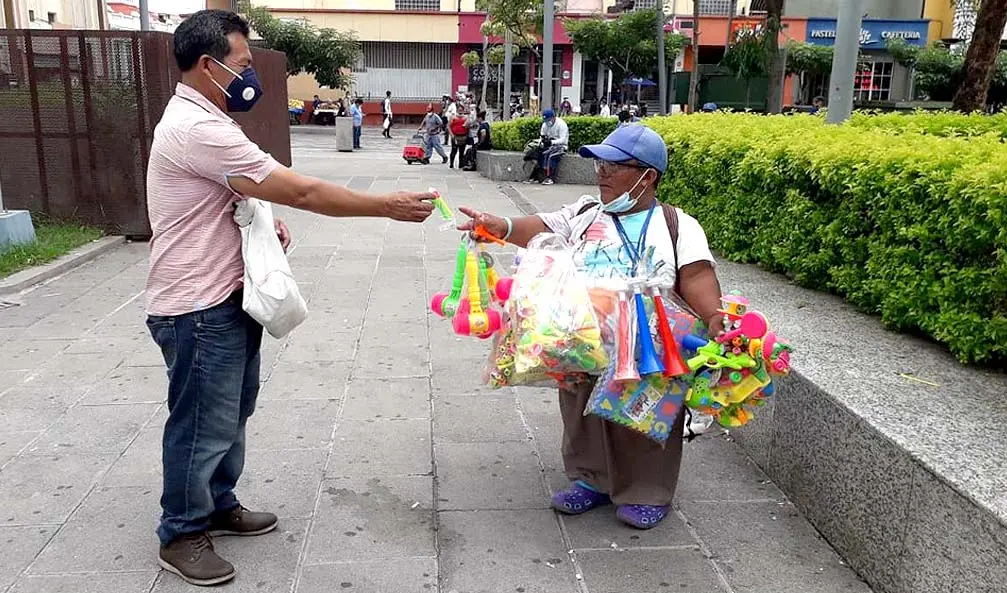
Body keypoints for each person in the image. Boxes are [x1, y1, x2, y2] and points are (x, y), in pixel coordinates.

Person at [145, 10, 435, 586]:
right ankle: (181, 532)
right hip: (197, 306)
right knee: (202, 420)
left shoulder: (208, 117)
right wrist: (385, 206)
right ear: (210, 66)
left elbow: (231, 194)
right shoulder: (197, 128)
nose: (251, 75)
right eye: (244, 64)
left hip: (226, 296)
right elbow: (299, 187)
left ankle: (217, 502)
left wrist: (254, 225)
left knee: (231, 411)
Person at [457, 125, 723, 530]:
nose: (601, 173)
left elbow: (697, 276)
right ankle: (590, 479)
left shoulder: (676, 224)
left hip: (648, 344)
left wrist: (715, 315)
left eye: (614, 166)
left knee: (645, 418)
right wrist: (498, 225)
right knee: (580, 409)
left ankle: (647, 491)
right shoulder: (584, 213)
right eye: (600, 163)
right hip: (583, 337)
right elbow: (538, 228)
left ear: (647, 176)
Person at [535, 108, 568, 185]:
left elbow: (563, 139)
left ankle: (550, 177)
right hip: (548, 145)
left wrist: (551, 142)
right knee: (537, 153)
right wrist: (542, 142)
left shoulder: (561, 125)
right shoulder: (544, 125)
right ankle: (538, 176)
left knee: (551, 156)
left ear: (553, 118)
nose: (547, 122)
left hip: (560, 146)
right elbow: (542, 136)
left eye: (548, 120)